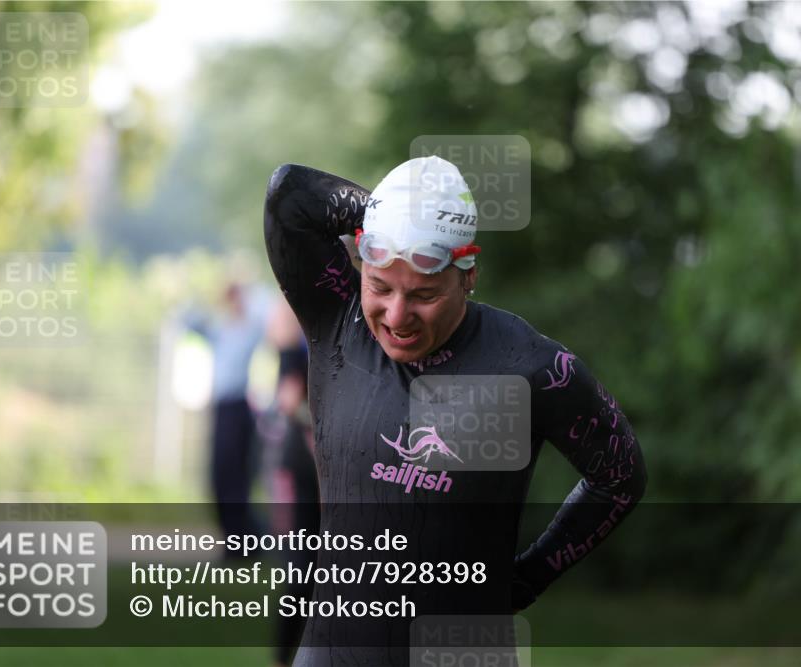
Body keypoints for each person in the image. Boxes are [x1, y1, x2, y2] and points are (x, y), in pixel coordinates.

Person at [263, 156, 646, 666]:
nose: (396, 316)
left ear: (467, 276)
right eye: (379, 286)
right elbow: (290, 193)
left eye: (423, 295)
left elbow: (619, 474)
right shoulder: (340, 322)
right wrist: (389, 215)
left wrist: (529, 578)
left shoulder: (527, 365)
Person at [181, 281, 273, 554]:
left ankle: (243, 542)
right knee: (219, 476)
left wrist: (247, 294)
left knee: (236, 477)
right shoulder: (220, 328)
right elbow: (187, 320)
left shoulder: (250, 328)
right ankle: (233, 537)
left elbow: (266, 309)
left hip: (238, 408)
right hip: (220, 408)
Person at [258, 298, 319, 667]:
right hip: (304, 462)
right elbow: (288, 401)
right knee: (302, 569)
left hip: (320, 463)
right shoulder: (297, 348)